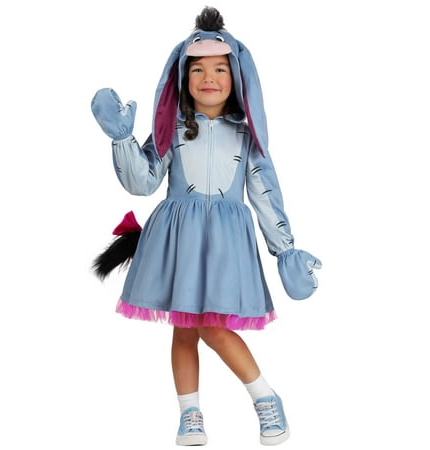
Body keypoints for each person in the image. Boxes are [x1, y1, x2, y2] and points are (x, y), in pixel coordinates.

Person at [91, 6, 321, 447]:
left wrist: (286, 250)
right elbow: (143, 182)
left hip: (225, 245)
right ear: (182, 76)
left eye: (219, 68)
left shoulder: (247, 136)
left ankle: (265, 397)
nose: (208, 77)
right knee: (184, 328)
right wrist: (122, 139)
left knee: (213, 326)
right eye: (197, 69)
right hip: (178, 240)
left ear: (237, 78)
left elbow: (265, 193)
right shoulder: (171, 129)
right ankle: (190, 414)